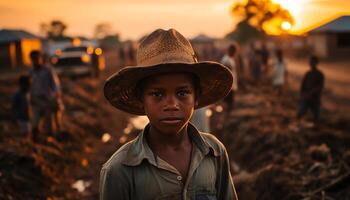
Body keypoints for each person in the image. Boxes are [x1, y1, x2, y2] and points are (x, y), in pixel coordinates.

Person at [100, 29, 238, 200]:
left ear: (196, 98)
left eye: (182, 93)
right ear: (141, 99)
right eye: (157, 94)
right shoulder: (119, 169)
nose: (171, 104)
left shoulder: (215, 152)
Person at [29, 50, 64, 140]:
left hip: (48, 99)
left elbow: (55, 85)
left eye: (37, 58)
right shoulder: (31, 72)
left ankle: (52, 137)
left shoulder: (47, 70)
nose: (36, 61)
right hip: (37, 99)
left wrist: (56, 96)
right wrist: (31, 97)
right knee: (35, 121)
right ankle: (36, 139)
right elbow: (31, 87)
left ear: (40, 59)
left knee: (49, 120)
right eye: (33, 59)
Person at [297, 55, 325, 125]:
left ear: (316, 63)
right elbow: (302, 87)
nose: (311, 63)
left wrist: (311, 93)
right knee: (300, 113)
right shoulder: (307, 74)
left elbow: (320, 87)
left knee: (316, 117)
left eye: (313, 62)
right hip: (306, 98)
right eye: (310, 62)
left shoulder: (320, 74)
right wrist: (302, 95)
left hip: (315, 99)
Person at [220, 44, 238, 113]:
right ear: (231, 51)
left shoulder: (230, 59)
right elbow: (225, 73)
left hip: (232, 85)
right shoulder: (226, 59)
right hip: (229, 85)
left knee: (230, 103)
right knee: (228, 104)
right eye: (234, 51)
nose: (235, 53)